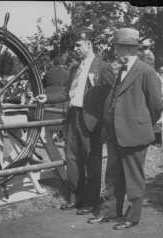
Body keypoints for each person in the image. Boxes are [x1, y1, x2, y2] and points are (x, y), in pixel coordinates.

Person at [88, 28, 163, 230]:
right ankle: (111, 212)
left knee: (133, 178)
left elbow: (156, 106)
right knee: (113, 175)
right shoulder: (121, 69)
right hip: (115, 133)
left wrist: (140, 124)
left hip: (134, 134)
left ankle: (132, 217)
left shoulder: (146, 71)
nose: (114, 50)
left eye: (117, 47)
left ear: (126, 48)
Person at [35, 27, 114, 215]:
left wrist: (104, 124)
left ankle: (91, 201)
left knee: (91, 161)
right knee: (71, 158)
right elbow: (66, 92)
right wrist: (47, 98)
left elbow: (111, 96)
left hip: (91, 121)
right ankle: (76, 198)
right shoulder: (75, 68)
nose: (75, 49)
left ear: (89, 44)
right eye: (74, 46)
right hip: (73, 117)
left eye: (78, 45)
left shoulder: (103, 67)